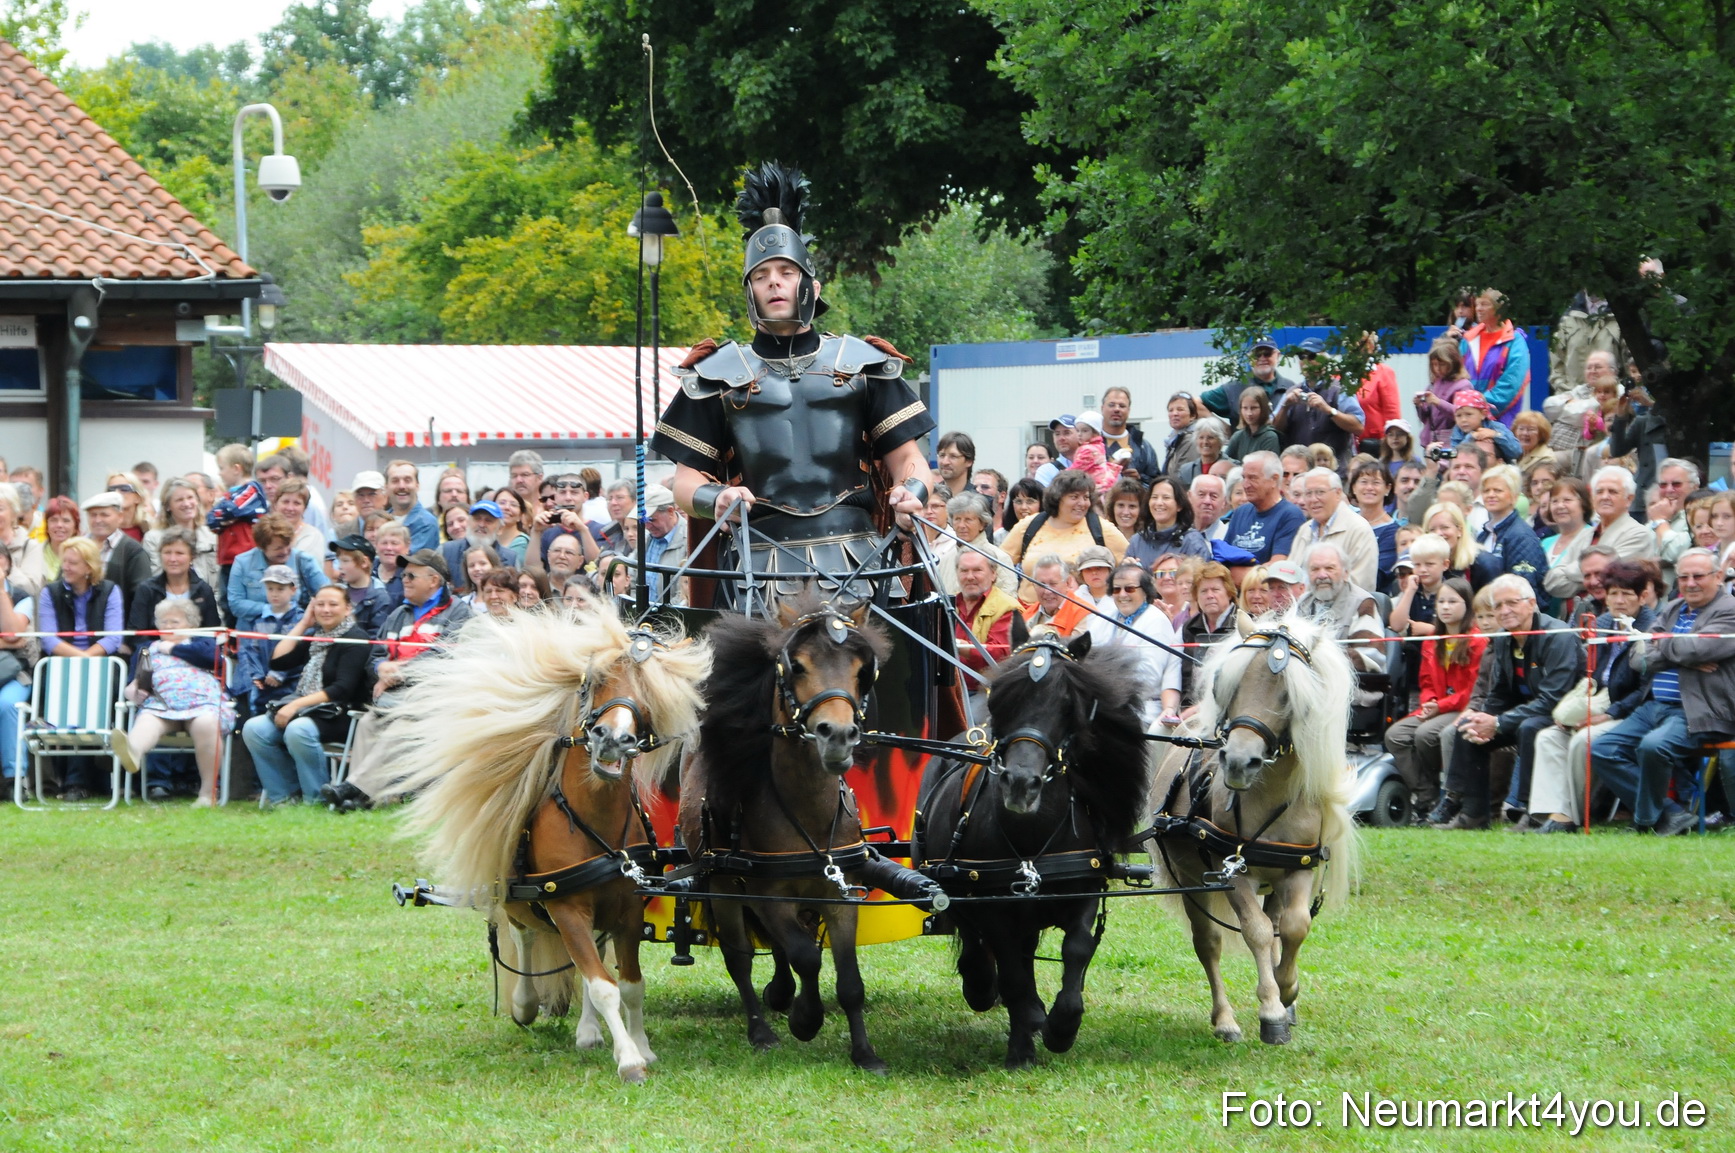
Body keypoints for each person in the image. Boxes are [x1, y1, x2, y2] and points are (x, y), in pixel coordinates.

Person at [649, 162, 934, 602]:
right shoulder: (715, 374)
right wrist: (716, 498)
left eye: (786, 272)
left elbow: (910, 459)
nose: (774, 283)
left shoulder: (863, 363)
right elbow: (683, 481)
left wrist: (911, 493)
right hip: (754, 564)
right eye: (760, 276)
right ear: (749, 292)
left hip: (860, 557)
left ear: (812, 287)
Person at [1590, 548, 1735, 834]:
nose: (1690, 583)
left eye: (1698, 576)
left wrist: (1664, 645)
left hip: (1698, 709)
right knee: (1602, 748)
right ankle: (1671, 814)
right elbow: (1638, 657)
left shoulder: (1729, 609)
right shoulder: (1673, 608)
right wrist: (1684, 654)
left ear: (1718, 576)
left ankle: (1646, 821)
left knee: (1653, 746)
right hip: (1654, 706)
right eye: (1683, 577)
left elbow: (1698, 648)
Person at [1432, 576, 1581, 829]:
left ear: (1532, 603)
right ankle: (1470, 811)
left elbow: (1553, 699)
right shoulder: (1503, 638)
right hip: (1524, 711)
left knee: (1529, 727)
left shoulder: (1558, 635)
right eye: (1498, 606)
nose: (1504, 611)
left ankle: (1528, 811)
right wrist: (1484, 718)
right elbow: (1500, 693)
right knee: (1467, 726)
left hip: (1560, 713)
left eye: (1511, 603)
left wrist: (1499, 722)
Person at [1525, 561, 1656, 833]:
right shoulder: (1602, 624)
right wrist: (1573, 711)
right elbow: (1588, 674)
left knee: (1583, 742)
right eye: (1613, 594)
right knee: (1549, 736)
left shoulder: (1651, 627)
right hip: (1597, 700)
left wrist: (1606, 715)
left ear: (1643, 596)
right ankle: (1548, 813)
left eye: (1626, 594)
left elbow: (1646, 691)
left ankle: (1569, 817)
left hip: (1629, 712)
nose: (1618, 601)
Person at [242, 584, 373, 806]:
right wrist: (303, 624)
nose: (326, 610)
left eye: (333, 604)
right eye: (320, 604)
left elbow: (341, 689)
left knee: (298, 729)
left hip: (340, 714)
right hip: (307, 709)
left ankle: (317, 799)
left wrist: (294, 706)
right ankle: (283, 798)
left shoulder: (356, 639)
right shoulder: (316, 636)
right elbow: (278, 661)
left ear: (348, 608)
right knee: (254, 729)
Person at [113, 598, 234, 803]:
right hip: (161, 705)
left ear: (191, 625)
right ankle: (132, 752)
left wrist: (171, 649)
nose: (168, 627)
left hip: (202, 704)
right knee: (146, 720)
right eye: (164, 622)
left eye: (175, 622)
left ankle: (207, 794)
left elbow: (211, 659)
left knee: (207, 723)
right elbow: (133, 681)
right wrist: (131, 692)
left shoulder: (202, 642)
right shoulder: (146, 648)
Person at [1384, 577, 1482, 817]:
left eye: (1452, 601)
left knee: (1425, 735)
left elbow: (1472, 691)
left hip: (1464, 707)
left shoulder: (1477, 641)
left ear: (1467, 605)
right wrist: (1429, 702)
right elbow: (1425, 681)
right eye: (1441, 602)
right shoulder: (1432, 641)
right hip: (1436, 706)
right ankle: (1426, 797)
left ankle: (1446, 796)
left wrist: (1440, 706)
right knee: (1395, 735)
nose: (1445, 607)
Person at [34, 538, 123, 801]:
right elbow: (49, 639)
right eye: (64, 561)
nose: (66, 567)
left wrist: (87, 660)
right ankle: (73, 781)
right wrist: (79, 660)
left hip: (102, 663)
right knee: (70, 700)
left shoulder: (110, 590)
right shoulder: (49, 593)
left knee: (92, 699)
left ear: (89, 567)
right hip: (62, 664)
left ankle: (82, 780)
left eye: (73, 563)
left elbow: (113, 638)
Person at [1003, 470, 1128, 600]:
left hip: (1081, 615)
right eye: (1074, 497)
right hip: (1028, 615)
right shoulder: (1029, 525)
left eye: (1085, 497)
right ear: (1057, 498)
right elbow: (999, 565)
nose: (1082, 503)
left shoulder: (1101, 528)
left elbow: (1131, 568)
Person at [1086, 562, 1182, 728]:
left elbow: (1148, 677)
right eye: (1116, 589)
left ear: (1144, 591)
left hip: (1143, 707)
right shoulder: (1102, 619)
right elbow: (1086, 661)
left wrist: (1103, 678)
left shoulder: (1156, 621)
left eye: (1129, 589)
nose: (1122, 594)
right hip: (1102, 702)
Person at [1294, 544, 1386, 675]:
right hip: (1308, 680)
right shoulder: (1302, 602)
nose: (1322, 575)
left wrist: (1318, 660)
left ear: (1345, 573)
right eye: (1315, 569)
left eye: (1329, 568)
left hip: (1353, 684)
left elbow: (1370, 656)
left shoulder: (1363, 603)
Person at [227, 514, 327, 633]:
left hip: (293, 634)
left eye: (287, 546)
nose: (285, 552)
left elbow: (326, 593)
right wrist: (271, 609)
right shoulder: (242, 562)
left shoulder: (304, 561)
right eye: (278, 548)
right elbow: (235, 604)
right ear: (262, 547)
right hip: (252, 637)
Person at [1271, 339, 1365, 463]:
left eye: (1311, 356)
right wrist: (1285, 407)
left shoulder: (1340, 389)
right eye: (1301, 356)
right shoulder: (1292, 392)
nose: (1305, 361)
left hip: (1333, 471)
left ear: (1325, 360)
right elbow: (1275, 431)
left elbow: (1358, 427)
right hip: (1301, 471)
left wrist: (1329, 410)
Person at [1288, 467, 1379, 590]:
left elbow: (1360, 586)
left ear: (1337, 493)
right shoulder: (1305, 530)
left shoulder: (1358, 529)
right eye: (1309, 493)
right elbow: (1289, 574)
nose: (1314, 499)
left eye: (1320, 492)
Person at [126, 527, 221, 643]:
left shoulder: (204, 590)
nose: (172, 559)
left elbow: (211, 634)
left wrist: (181, 651)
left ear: (192, 557)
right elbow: (138, 633)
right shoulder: (146, 589)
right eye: (167, 553)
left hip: (194, 655)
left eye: (179, 553)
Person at [0, 550, 41, 798]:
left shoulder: (21, 596)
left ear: (8, 564)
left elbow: (15, 634)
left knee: (6, 705)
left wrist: (1, 592)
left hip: (15, 671)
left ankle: (15, 779)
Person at [1459, 288, 1531, 425]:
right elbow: (1456, 374)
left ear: (1500, 309)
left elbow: (1512, 382)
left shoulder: (1514, 341)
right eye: (1477, 304)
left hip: (1502, 418)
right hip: (1467, 417)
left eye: (1485, 304)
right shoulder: (1468, 339)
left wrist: (1478, 406)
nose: (1478, 309)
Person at [1475, 464, 1548, 600]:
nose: (1491, 495)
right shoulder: (1484, 534)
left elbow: (1523, 589)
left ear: (1514, 497)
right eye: (1486, 490)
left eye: (1498, 490)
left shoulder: (1521, 536)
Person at [951, 548, 1028, 674]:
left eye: (977, 570)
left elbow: (1000, 655)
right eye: (964, 571)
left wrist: (958, 645)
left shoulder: (1008, 607)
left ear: (993, 574)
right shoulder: (948, 604)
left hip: (986, 688)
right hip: (947, 687)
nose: (970, 577)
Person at [1220, 452, 1305, 565]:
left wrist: (1236, 574)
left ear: (1274, 479)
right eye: (1244, 477)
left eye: (1252, 478)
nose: (1245, 485)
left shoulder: (1291, 515)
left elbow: (1277, 567)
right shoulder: (1241, 512)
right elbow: (1222, 560)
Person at [83, 491, 151, 619]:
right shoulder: (77, 546)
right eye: (93, 515)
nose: (98, 520)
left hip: (118, 628)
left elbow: (141, 597)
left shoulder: (132, 550)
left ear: (120, 517)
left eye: (104, 515)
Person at [937, 491, 1017, 596]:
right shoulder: (945, 560)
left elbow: (1009, 599)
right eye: (957, 519)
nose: (961, 525)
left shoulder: (999, 558)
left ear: (982, 524)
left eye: (968, 520)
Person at [1200, 335, 1295, 424]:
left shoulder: (1290, 388)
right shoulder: (1234, 387)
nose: (1262, 358)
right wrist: (1224, 430)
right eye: (1257, 355)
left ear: (1277, 356)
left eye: (1267, 353)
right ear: (1248, 357)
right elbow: (1197, 403)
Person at [1549, 289, 1626, 395]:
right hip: (1572, 400)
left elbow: (1630, 366)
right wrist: (1565, 391)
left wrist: (1615, 392)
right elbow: (1556, 364)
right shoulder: (1568, 318)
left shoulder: (1622, 317)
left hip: (1610, 400)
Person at [146, 478, 220, 588]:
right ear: (167, 506)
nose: (186, 504)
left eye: (190, 498)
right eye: (179, 500)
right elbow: (154, 581)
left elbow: (220, 585)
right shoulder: (154, 539)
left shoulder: (212, 536)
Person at [1180, 562, 1238, 701]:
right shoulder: (1190, 626)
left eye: (1215, 589)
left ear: (1229, 593)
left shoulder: (1241, 624)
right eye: (1203, 591)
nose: (1209, 595)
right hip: (1192, 703)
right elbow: (1187, 676)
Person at [1124, 475, 1212, 566]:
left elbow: (1202, 577)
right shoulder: (1137, 540)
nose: (1159, 503)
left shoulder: (1192, 541)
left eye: (1166, 497)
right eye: (1154, 497)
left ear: (1179, 505)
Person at [207, 444, 269, 571]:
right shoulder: (229, 495)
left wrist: (224, 515)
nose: (220, 473)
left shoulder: (252, 490)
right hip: (227, 558)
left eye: (222, 468)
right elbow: (211, 520)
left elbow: (232, 510)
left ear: (236, 469)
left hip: (248, 559)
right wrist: (224, 517)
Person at [1540, 477, 1597, 614]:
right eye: (1554, 501)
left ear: (1583, 504)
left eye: (1567, 500)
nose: (1560, 506)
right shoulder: (1545, 542)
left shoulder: (1592, 537)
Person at [328, 535, 395, 638]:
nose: (340, 566)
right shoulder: (336, 592)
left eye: (345, 561)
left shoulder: (380, 598)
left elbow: (376, 637)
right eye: (339, 561)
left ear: (364, 562)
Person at [1420, 502, 1500, 589]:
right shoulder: (1422, 568)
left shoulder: (1484, 564)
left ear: (1459, 530)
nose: (1438, 533)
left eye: (1445, 527)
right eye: (1432, 529)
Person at [1585, 465, 1657, 561]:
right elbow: (1560, 567)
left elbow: (1602, 568)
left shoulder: (1638, 535)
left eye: (1612, 492)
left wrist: (1569, 571)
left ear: (1629, 499)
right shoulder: (1584, 534)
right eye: (1599, 492)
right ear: (1592, 498)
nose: (1605, 497)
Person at [1348, 461, 1399, 590]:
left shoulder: (1393, 531)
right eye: (1364, 482)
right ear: (1354, 488)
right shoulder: (1344, 523)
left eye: (1376, 482)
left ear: (1387, 488)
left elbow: (1377, 573)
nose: (1369, 487)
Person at [1415, 338, 1474, 449]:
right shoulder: (1433, 385)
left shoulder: (1463, 385)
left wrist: (1438, 402)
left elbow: (1463, 414)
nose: (1437, 369)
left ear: (1453, 363)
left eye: (1441, 364)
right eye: (1434, 365)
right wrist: (1419, 405)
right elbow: (1425, 419)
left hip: (1451, 442)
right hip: (1430, 442)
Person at [641, 484, 687, 604]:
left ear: (671, 511)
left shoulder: (689, 541)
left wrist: (662, 616)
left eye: (651, 519)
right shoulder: (646, 539)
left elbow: (684, 592)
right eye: (643, 520)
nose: (647, 526)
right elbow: (633, 575)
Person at [383, 461, 439, 552]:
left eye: (407, 480)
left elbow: (406, 560)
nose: (402, 486)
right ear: (386, 487)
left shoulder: (426, 523)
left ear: (417, 486)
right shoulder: (381, 521)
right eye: (395, 481)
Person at [0, 484, 45, 596]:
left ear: (14, 513)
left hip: (16, 611)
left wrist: (8, 566)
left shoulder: (29, 546)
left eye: (0, 509)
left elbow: (32, 590)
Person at [1066, 410, 1123, 494]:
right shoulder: (1098, 445)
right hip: (1101, 484)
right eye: (1077, 430)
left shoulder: (1088, 449)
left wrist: (1063, 474)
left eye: (1084, 431)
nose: (1080, 434)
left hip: (1097, 486)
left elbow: (1077, 468)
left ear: (1095, 433)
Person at [1147, 391, 1194, 480]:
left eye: (1180, 409)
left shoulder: (1192, 440)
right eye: (1170, 410)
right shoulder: (1173, 440)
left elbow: (1183, 478)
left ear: (1192, 416)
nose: (1174, 414)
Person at [1225, 388, 1280, 462]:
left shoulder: (1270, 437)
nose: (1249, 413)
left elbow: (1268, 466)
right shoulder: (1238, 436)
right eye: (1245, 408)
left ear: (1263, 408)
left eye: (1254, 408)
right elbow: (1225, 460)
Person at [1176, 416, 1229, 489]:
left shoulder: (1232, 467)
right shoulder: (1186, 471)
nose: (1205, 442)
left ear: (1220, 441)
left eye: (1210, 437)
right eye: (1201, 437)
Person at [40, 495, 78, 582]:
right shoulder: (35, 553)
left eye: (66, 521)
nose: (59, 525)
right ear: (46, 525)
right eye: (54, 520)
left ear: (75, 527)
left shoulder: (84, 554)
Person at [104, 471, 152, 541]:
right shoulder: (101, 530)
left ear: (138, 497)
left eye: (124, 489)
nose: (116, 493)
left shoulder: (149, 529)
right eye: (111, 490)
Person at [1034, 415, 1079, 485]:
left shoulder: (1093, 464)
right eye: (1057, 434)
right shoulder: (1046, 471)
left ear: (1079, 435)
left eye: (1067, 433)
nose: (1061, 438)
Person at [1188, 473, 1230, 541]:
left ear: (1224, 502)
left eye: (1214, 496)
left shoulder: (1228, 536)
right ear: (1189, 497)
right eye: (1201, 495)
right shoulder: (1177, 533)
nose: (1207, 501)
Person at [1105, 477, 1147, 541]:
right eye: (1121, 505)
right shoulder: (1102, 538)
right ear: (1112, 508)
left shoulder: (1148, 540)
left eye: (1132, 506)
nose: (1125, 512)